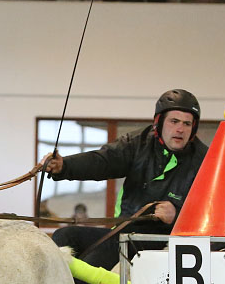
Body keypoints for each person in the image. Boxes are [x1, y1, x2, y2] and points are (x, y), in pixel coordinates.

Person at [36, 88, 208, 270]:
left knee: (93, 263)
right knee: (65, 237)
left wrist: (177, 214)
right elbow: (102, 161)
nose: (180, 129)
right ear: (160, 122)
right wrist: (65, 166)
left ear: (193, 128)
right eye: (174, 121)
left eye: (187, 124)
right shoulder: (137, 143)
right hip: (123, 233)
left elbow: (211, 212)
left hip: (162, 243)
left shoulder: (205, 160)